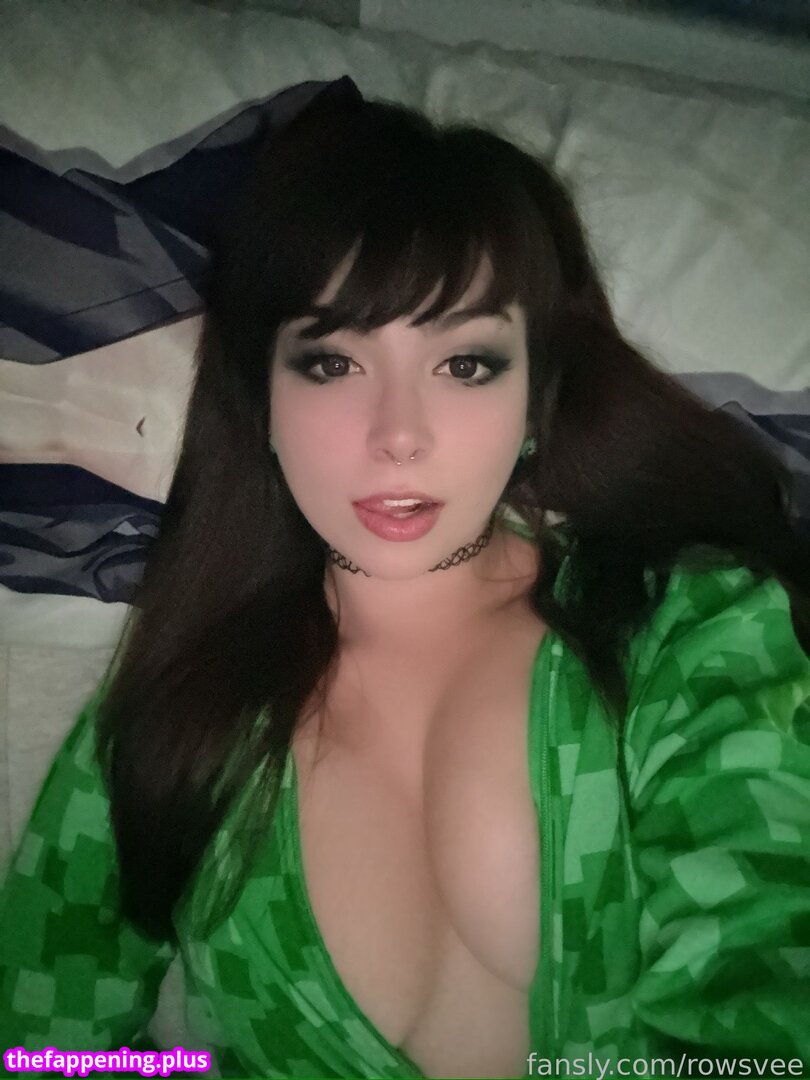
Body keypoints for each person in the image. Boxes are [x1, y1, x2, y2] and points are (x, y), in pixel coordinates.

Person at [1, 79, 809, 1080]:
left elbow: (764, 1003)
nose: (398, 436)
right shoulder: (174, 697)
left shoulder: (685, 633)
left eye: (465, 365)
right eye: (332, 364)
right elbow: (43, 1045)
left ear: (537, 401)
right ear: (260, 400)